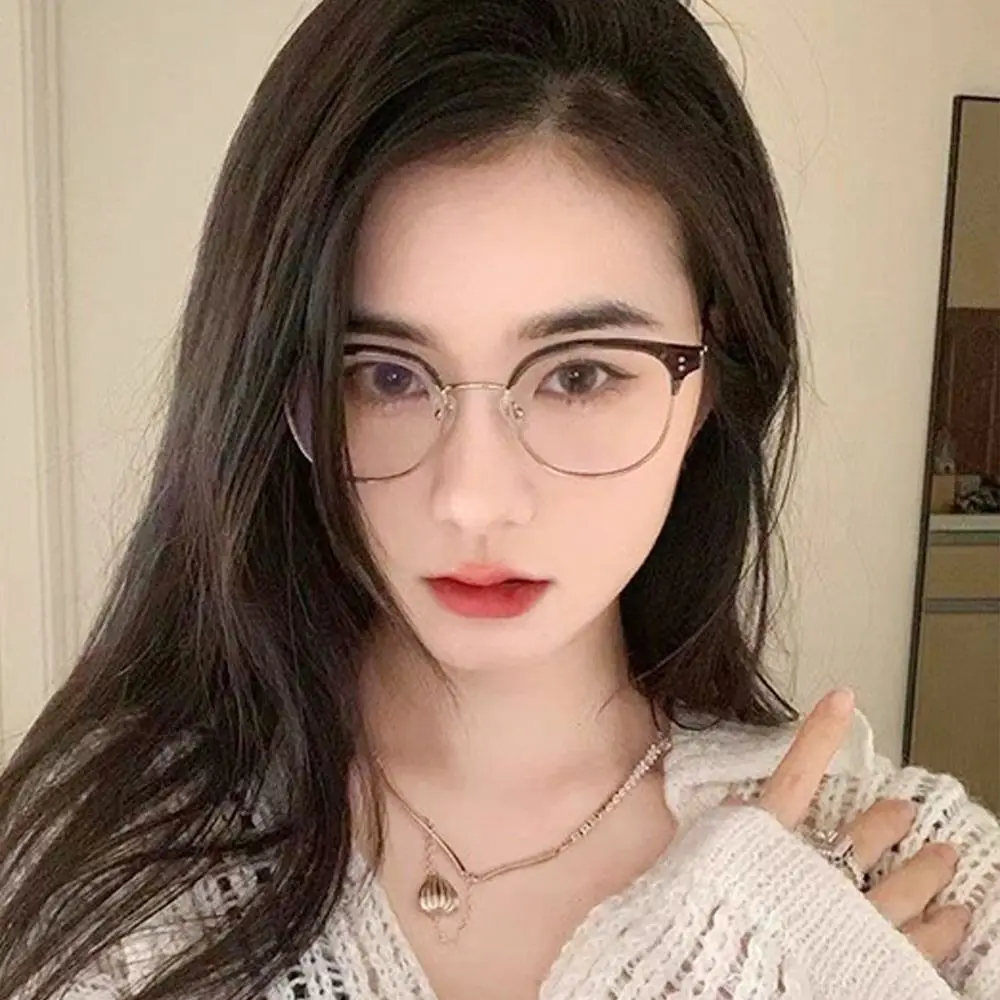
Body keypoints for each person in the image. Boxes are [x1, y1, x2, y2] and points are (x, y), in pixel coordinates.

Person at [0, 1, 997, 997]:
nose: (472, 498)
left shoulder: (912, 878)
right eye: (385, 376)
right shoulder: (115, 869)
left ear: (710, 375)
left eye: (580, 375)